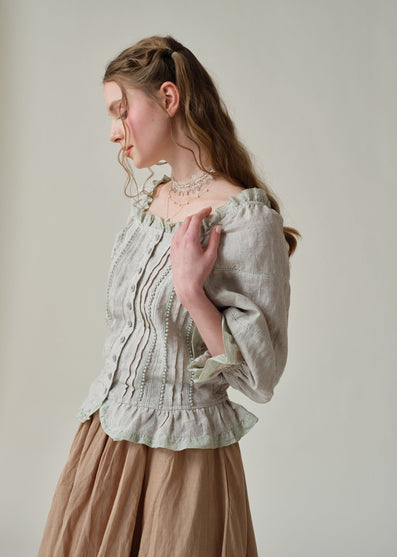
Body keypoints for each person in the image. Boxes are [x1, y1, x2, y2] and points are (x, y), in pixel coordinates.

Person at [37, 35, 301, 557]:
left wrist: (192, 293)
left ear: (168, 98)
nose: (114, 132)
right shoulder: (150, 204)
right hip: (105, 447)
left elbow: (260, 377)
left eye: (121, 111)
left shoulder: (246, 220)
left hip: (182, 466)